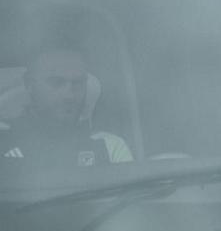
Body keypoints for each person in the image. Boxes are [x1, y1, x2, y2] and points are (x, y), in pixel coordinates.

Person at [0, 45, 133, 168]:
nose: (69, 96)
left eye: (78, 83)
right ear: (29, 84)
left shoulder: (110, 147)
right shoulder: (4, 142)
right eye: (56, 83)